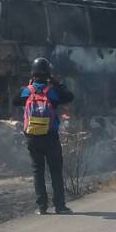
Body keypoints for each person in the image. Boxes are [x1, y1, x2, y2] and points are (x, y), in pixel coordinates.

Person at [17, 57, 75, 215]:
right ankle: (60, 206)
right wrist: (57, 82)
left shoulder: (27, 91)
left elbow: (16, 100)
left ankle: (41, 207)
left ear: (33, 74)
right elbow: (69, 96)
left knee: (38, 171)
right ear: (48, 74)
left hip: (32, 137)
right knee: (55, 171)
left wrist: (29, 85)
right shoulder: (53, 92)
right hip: (50, 136)